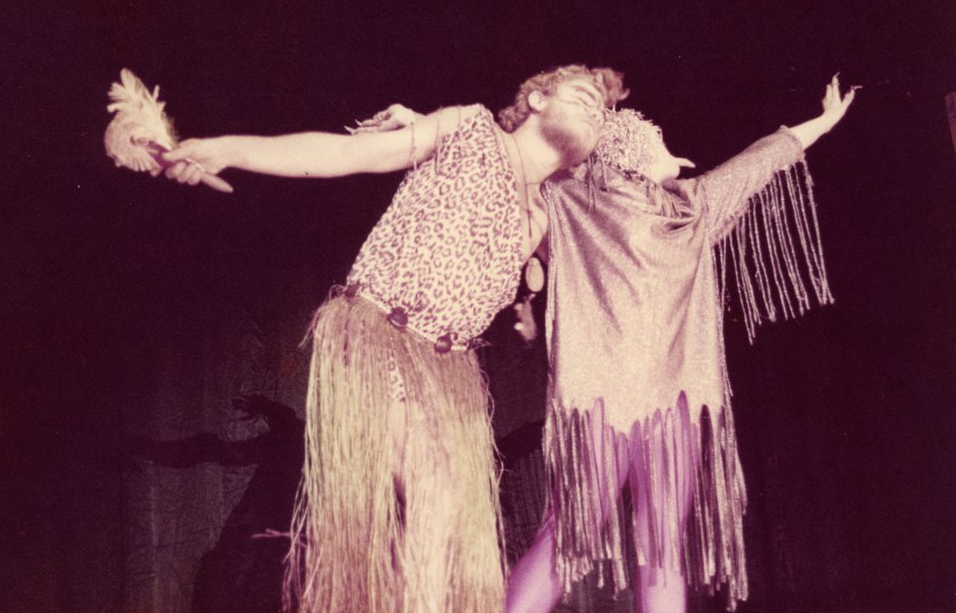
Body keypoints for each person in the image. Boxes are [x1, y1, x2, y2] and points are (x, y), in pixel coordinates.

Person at [160, 65, 628, 612]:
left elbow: (620, 264)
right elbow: (344, 155)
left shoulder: (549, 217)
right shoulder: (470, 128)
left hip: (447, 372)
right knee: (437, 501)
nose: (596, 108)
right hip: (380, 334)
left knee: (447, 527)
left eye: (604, 110)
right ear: (537, 98)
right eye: (582, 94)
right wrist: (226, 149)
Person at [505, 75, 858, 613]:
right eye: (662, 143)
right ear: (635, 153)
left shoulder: (571, 201)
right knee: (661, 548)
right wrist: (825, 122)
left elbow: (514, 171)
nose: (677, 154)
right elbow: (762, 159)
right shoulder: (692, 207)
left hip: (597, 403)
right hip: (672, 407)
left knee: (566, 538)